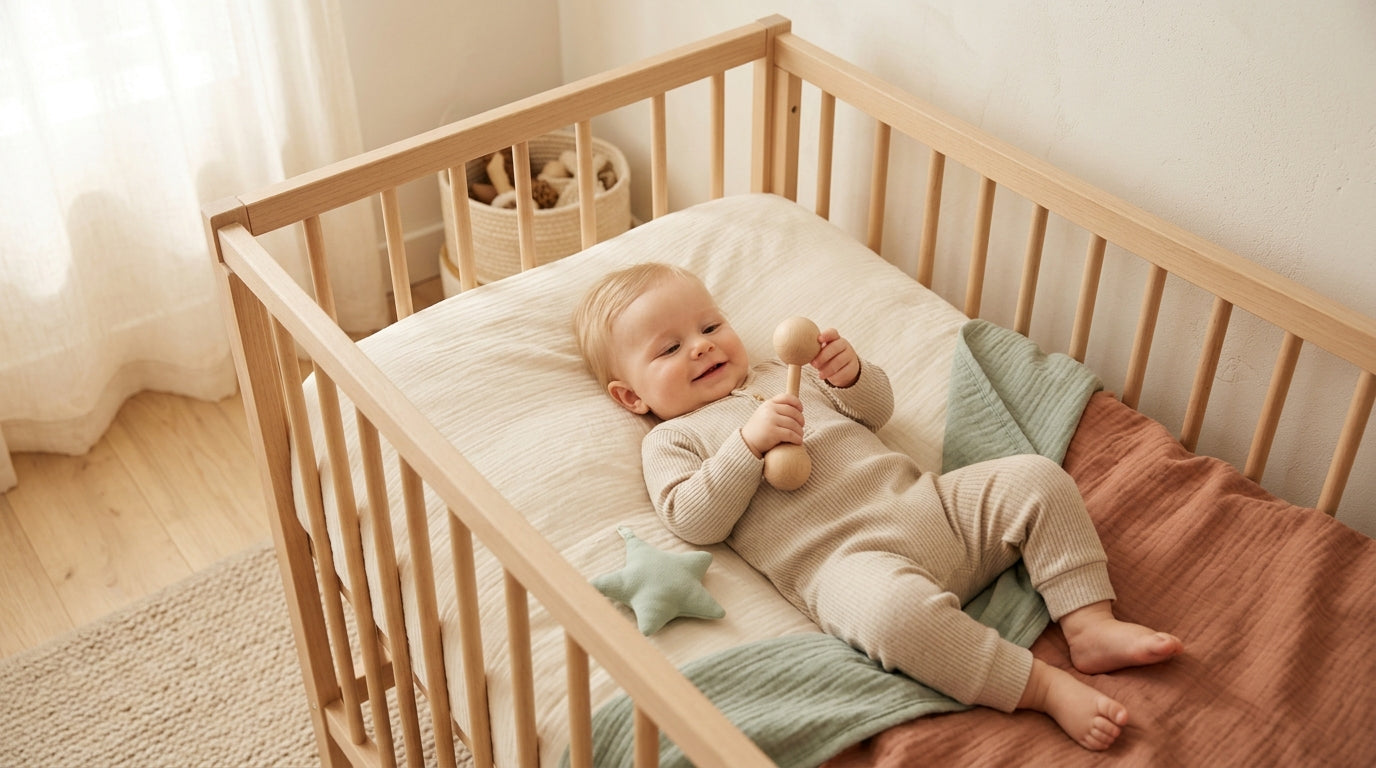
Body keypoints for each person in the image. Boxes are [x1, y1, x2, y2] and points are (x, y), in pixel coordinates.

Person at [573, 262, 1184, 750]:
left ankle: (1089, 623)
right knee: (893, 618)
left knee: (1037, 480)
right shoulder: (672, 439)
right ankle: (1041, 687)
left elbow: (875, 412)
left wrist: (848, 374)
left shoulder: (783, 372)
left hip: (931, 507)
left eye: (709, 328)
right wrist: (747, 445)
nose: (701, 349)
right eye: (669, 349)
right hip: (848, 565)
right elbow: (693, 518)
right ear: (630, 397)